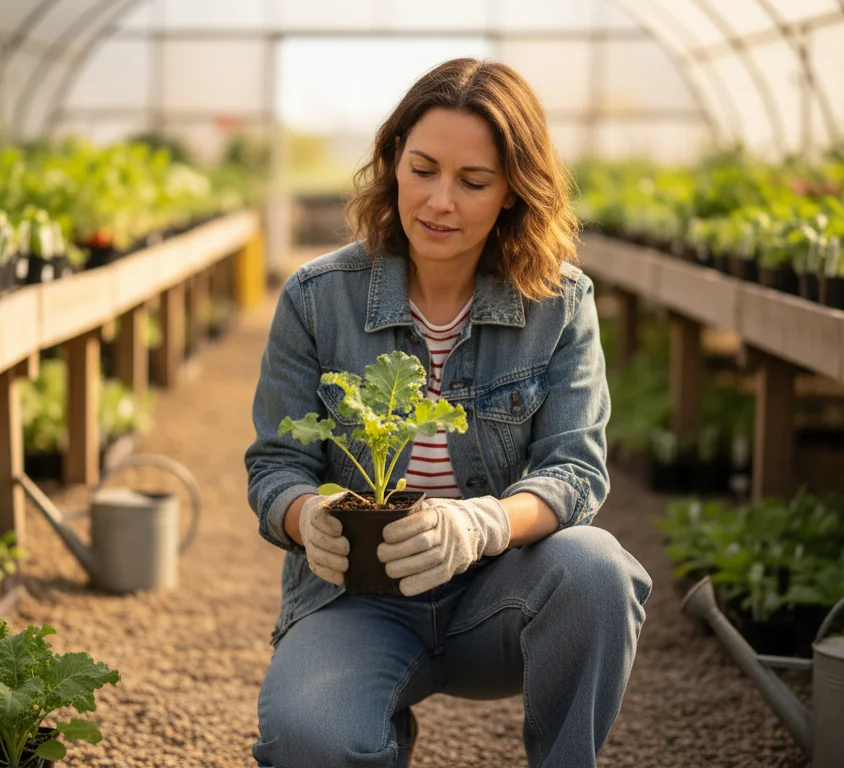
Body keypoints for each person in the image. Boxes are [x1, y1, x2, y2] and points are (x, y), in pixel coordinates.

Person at [244, 58, 651, 768]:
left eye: (473, 182)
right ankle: (374, 731)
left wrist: (483, 522)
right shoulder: (316, 297)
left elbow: (574, 470)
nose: (439, 201)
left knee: (597, 570)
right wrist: (306, 515)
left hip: (494, 597)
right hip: (356, 597)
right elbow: (276, 467)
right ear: (392, 161)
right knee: (313, 740)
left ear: (513, 194)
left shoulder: (559, 303)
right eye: (423, 168)